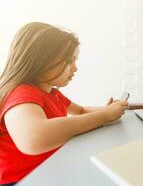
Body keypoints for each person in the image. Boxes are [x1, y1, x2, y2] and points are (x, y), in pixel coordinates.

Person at [0, 22, 128, 186]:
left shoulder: (52, 93)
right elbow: (33, 138)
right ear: (40, 59)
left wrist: (108, 111)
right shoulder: (21, 93)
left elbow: (81, 111)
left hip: (46, 173)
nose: (75, 68)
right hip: (21, 181)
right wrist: (104, 116)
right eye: (69, 61)